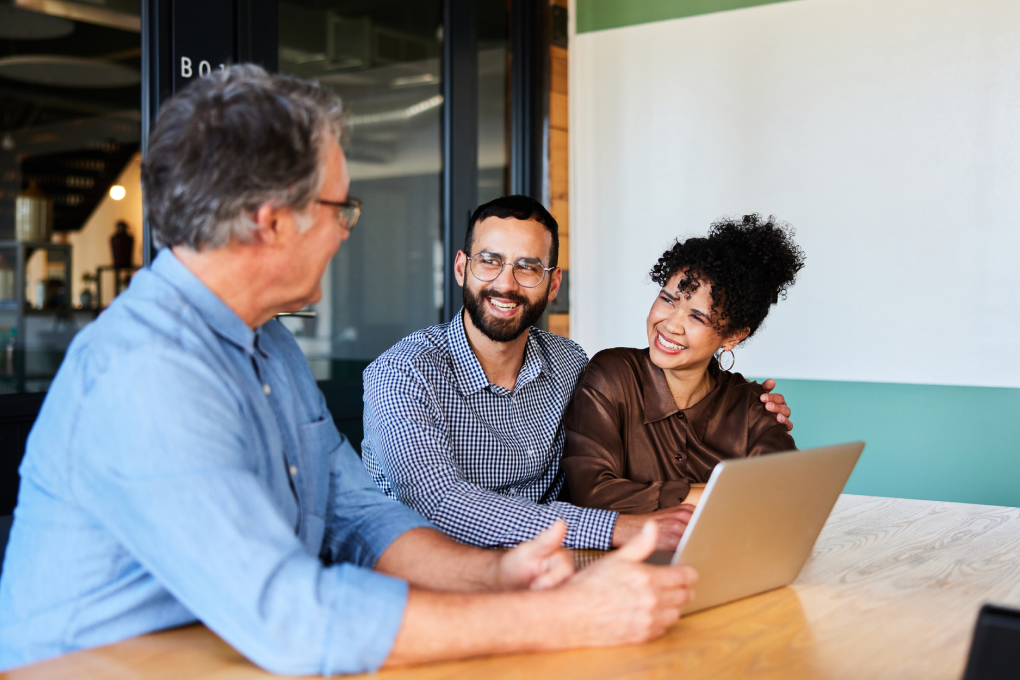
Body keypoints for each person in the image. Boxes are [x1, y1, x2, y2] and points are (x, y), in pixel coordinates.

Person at [0, 65, 699, 674]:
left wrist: (496, 573)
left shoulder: (266, 343)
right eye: (339, 208)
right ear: (272, 222)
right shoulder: (147, 373)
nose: (347, 228)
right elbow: (287, 612)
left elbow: (360, 515)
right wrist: (561, 618)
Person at [361, 197, 795, 551]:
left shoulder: (569, 364)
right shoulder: (404, 373)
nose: (506, 283)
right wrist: (625, 528)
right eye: (489, 261)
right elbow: (442, 505)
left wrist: (754, 410)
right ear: (461, 268)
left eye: (528, 267)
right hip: (426, 576)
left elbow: (629, 434)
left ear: (552, 285)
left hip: (554, 568)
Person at [562, 215, 804, 512]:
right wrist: (715, 493)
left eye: (697, 317)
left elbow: (786, 492)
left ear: (733, 336)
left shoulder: (752, 406)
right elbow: (593, 493)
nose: (671, 325)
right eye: (667, 300)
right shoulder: (612, 374)